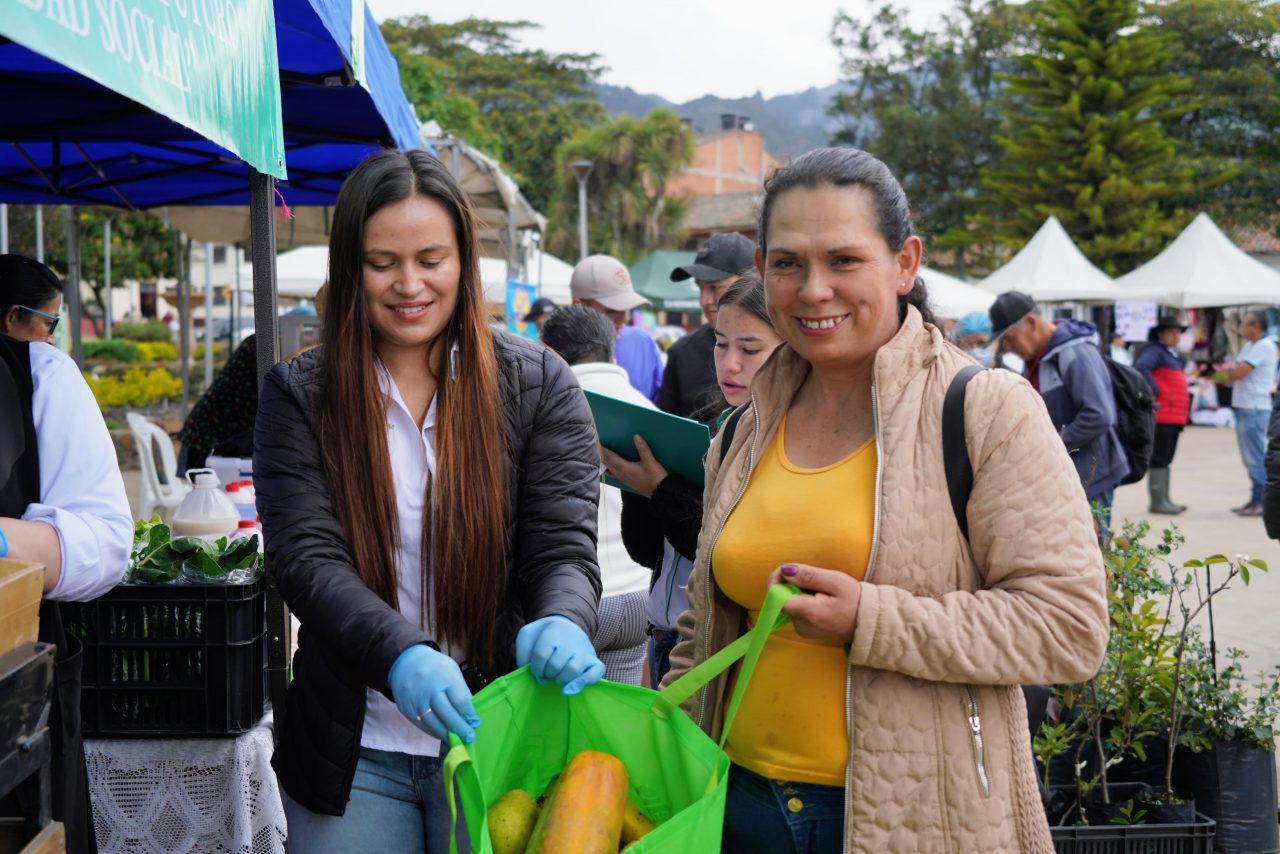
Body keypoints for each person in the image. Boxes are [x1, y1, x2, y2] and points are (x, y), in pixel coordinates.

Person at [662, 148, 1108, 853]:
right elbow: (703, 627)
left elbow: (1068, 626)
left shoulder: (984, 410)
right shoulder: (744, 428)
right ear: (762, 268)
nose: (814, 290)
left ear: (904, 263)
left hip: (912, 817)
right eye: (788, 263)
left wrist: (870, 620)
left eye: (844, 260)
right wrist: (667, 747)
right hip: (731, 805)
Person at [253, 150, 606, 853]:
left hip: (498, 738)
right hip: (354, 747)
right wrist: (399, 655)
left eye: (431, 259)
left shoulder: (539, 385)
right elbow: (306, 559)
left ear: (464, 262)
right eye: (382, 263)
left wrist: (564, 617)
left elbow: (562, 549)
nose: (409, 284)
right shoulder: (300, 394)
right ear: (350, 267)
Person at [0, 254, 133, 853]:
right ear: (14, 317)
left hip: (12, 689)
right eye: (49, 322)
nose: (51, 336)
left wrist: (9, 543)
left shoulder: (42, 375)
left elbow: (106, 541)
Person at [605, 273, 783, 688]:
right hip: (660, 636)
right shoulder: (701, 426)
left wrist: (660, 490)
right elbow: (647, 552)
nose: (730, 363)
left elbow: (727, 559)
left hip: (716, 652)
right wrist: (636, 486)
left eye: (749, 349)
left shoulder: (787, 446)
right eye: (720, 344)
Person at [540, 305, 653, 685]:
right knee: (611, 716)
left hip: (570, 601)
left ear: (549, 351)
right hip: (639, 595)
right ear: (610, 351)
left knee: (556, 715)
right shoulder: (647, 409)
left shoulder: (544, 406)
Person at [990, 291, 1129, 523]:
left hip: (1092, 476)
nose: (1009, 349)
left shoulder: (1074, 353)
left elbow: (1099, 415)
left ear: (1031, 323)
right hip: (1066, 475)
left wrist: (1050, 444)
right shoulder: (1038, 359)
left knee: (1091, 542)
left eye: (1011, 340)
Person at [659, 232, 757, 417]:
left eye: (715, 287)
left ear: (751, 283)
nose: (704, 301)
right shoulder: (682, 353)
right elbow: (666, 426)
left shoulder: (792, 347)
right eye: (700, 287)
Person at [570, 254, 663, 401]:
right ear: (579, 307)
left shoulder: (644, 343)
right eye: (612, 310)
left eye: (629, 307)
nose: (625, 318)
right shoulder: (552, 355)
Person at [176, 333, 258, 470]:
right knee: (202, 482)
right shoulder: (264, 343)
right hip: (206, 439)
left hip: (214, 437)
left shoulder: (262, 341)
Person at [1135, 315, 1190, 514]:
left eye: (1178, 333)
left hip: (1174, 414)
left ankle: (1164, 499)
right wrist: (1155, 390)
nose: (1176, 336)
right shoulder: (1154, 351)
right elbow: (1141, 368)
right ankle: (1158, 502)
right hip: (1164, 413)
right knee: (1160, 457)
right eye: (1172, 332)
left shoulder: (1172, 354)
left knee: (1166, 457)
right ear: (1161, 334)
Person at [1226, 310, 1276, 517]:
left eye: (1244, 324)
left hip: (1253, 408)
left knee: (1255, 458)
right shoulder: (1250, 346)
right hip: (1245, 407)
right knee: (1251, 458)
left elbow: (1238, 372)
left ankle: (1261, 502)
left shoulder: (1264, 346)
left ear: (1255, 327)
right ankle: (1256, 498)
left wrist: (1227, 374)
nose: (1241, 329)